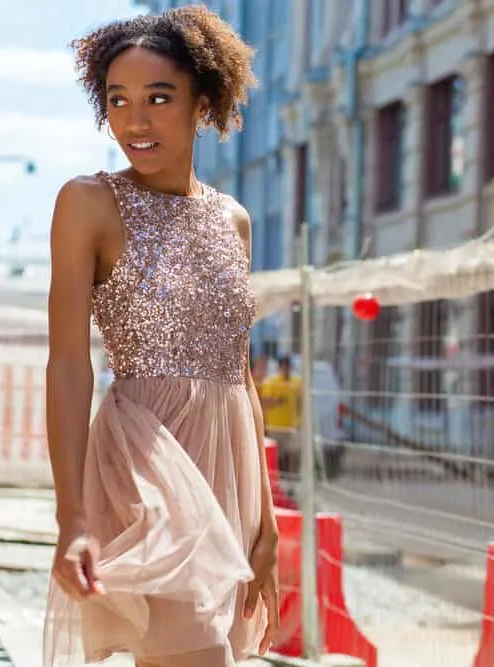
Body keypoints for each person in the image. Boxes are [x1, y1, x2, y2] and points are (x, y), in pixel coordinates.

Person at [43, 7, 279, 667]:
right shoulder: (87, 203)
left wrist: (267, 525)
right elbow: (67, 365)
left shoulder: (234, 220)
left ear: (203, 102)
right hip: (147, 465)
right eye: (118, 100)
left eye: (158, 98)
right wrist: (73, 518)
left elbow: (241, 375)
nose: (134, 121)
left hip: (227, 470)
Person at [259, 356, 302, 476]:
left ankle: (291, 480)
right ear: (280, 367)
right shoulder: (271, 382)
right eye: (284, 366)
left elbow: (301, 402)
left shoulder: (297, 382)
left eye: (288, 366)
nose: (286, 369)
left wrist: (300, 421)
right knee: (276, 458)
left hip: (291, 427)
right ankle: (275, 481)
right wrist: (277, 401)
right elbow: (264, 402)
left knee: (292, 456)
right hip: (274, 427)